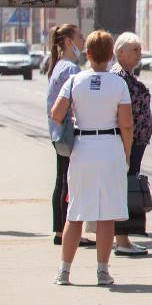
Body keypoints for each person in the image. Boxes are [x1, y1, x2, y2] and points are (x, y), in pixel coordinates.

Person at [49, 30, 133, 287]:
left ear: (87, 53)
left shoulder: (75, 80)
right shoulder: (119, 84)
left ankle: (64, 271)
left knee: (75, 212)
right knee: (105, 214)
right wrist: (126, 154)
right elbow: (127, 125)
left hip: (82, 148)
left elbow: (56, 113)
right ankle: (102, 272)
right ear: (110, 55)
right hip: (109, 146)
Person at [45, 23, 93, 248]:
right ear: (68, 42)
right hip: (68, 132)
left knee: (61, 180)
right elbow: (74, 102)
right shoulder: (70, 69)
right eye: (80, 37)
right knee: (68, 182)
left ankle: (59, 230)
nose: (83, 42)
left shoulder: (58, 66)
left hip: (58, 132)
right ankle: (67, 231)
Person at [111, 32, 151, 256]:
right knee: (124, 190)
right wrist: (126, 149)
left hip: (135, 141)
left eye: (139, 49)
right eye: (134, 49)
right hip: (128, 142)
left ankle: (123, 237)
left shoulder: (128, 75)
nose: (139, 54)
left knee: (126, 188)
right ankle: (122, 239)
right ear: (120, 52)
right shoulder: (118, 76)